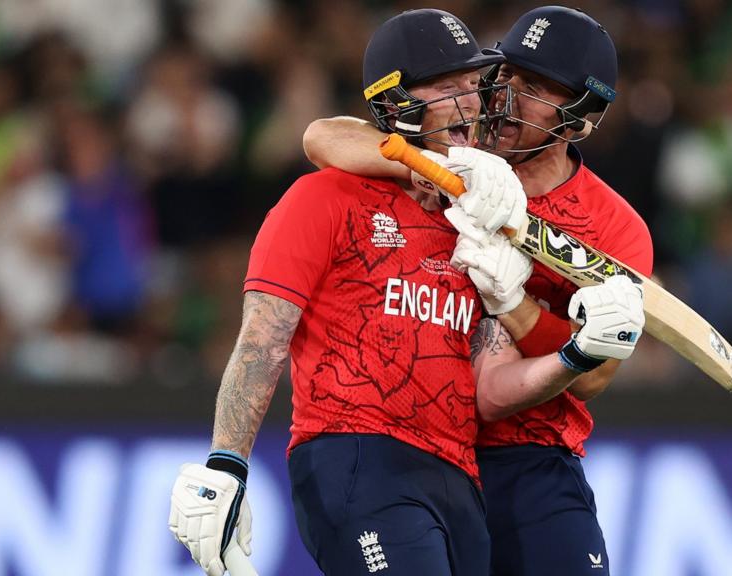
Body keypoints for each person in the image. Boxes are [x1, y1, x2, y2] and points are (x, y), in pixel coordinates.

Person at [168, 9, 645, 576]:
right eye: (457, 87)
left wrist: (533, 318)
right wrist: (226, 462)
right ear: (398, 105)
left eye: (481, 85)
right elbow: (263, 336)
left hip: (477, 462)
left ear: (582, 118)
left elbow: (492, 389)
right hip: (359, 451)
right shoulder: (345, 194)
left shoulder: (484, 218)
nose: (487, 101)